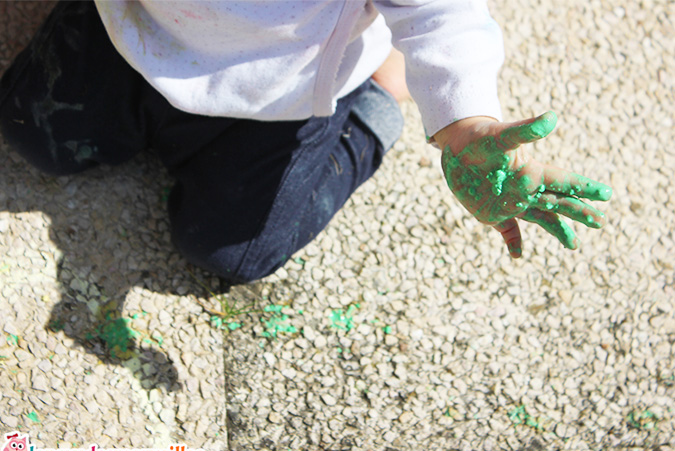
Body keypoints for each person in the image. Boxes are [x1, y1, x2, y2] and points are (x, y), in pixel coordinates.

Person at [0, 0, 611, 284]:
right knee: (31, 132)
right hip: (137, 30)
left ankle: (373, 106)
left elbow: (443, 18)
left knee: (230, 251)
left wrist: (465, 121)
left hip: (286, 92)